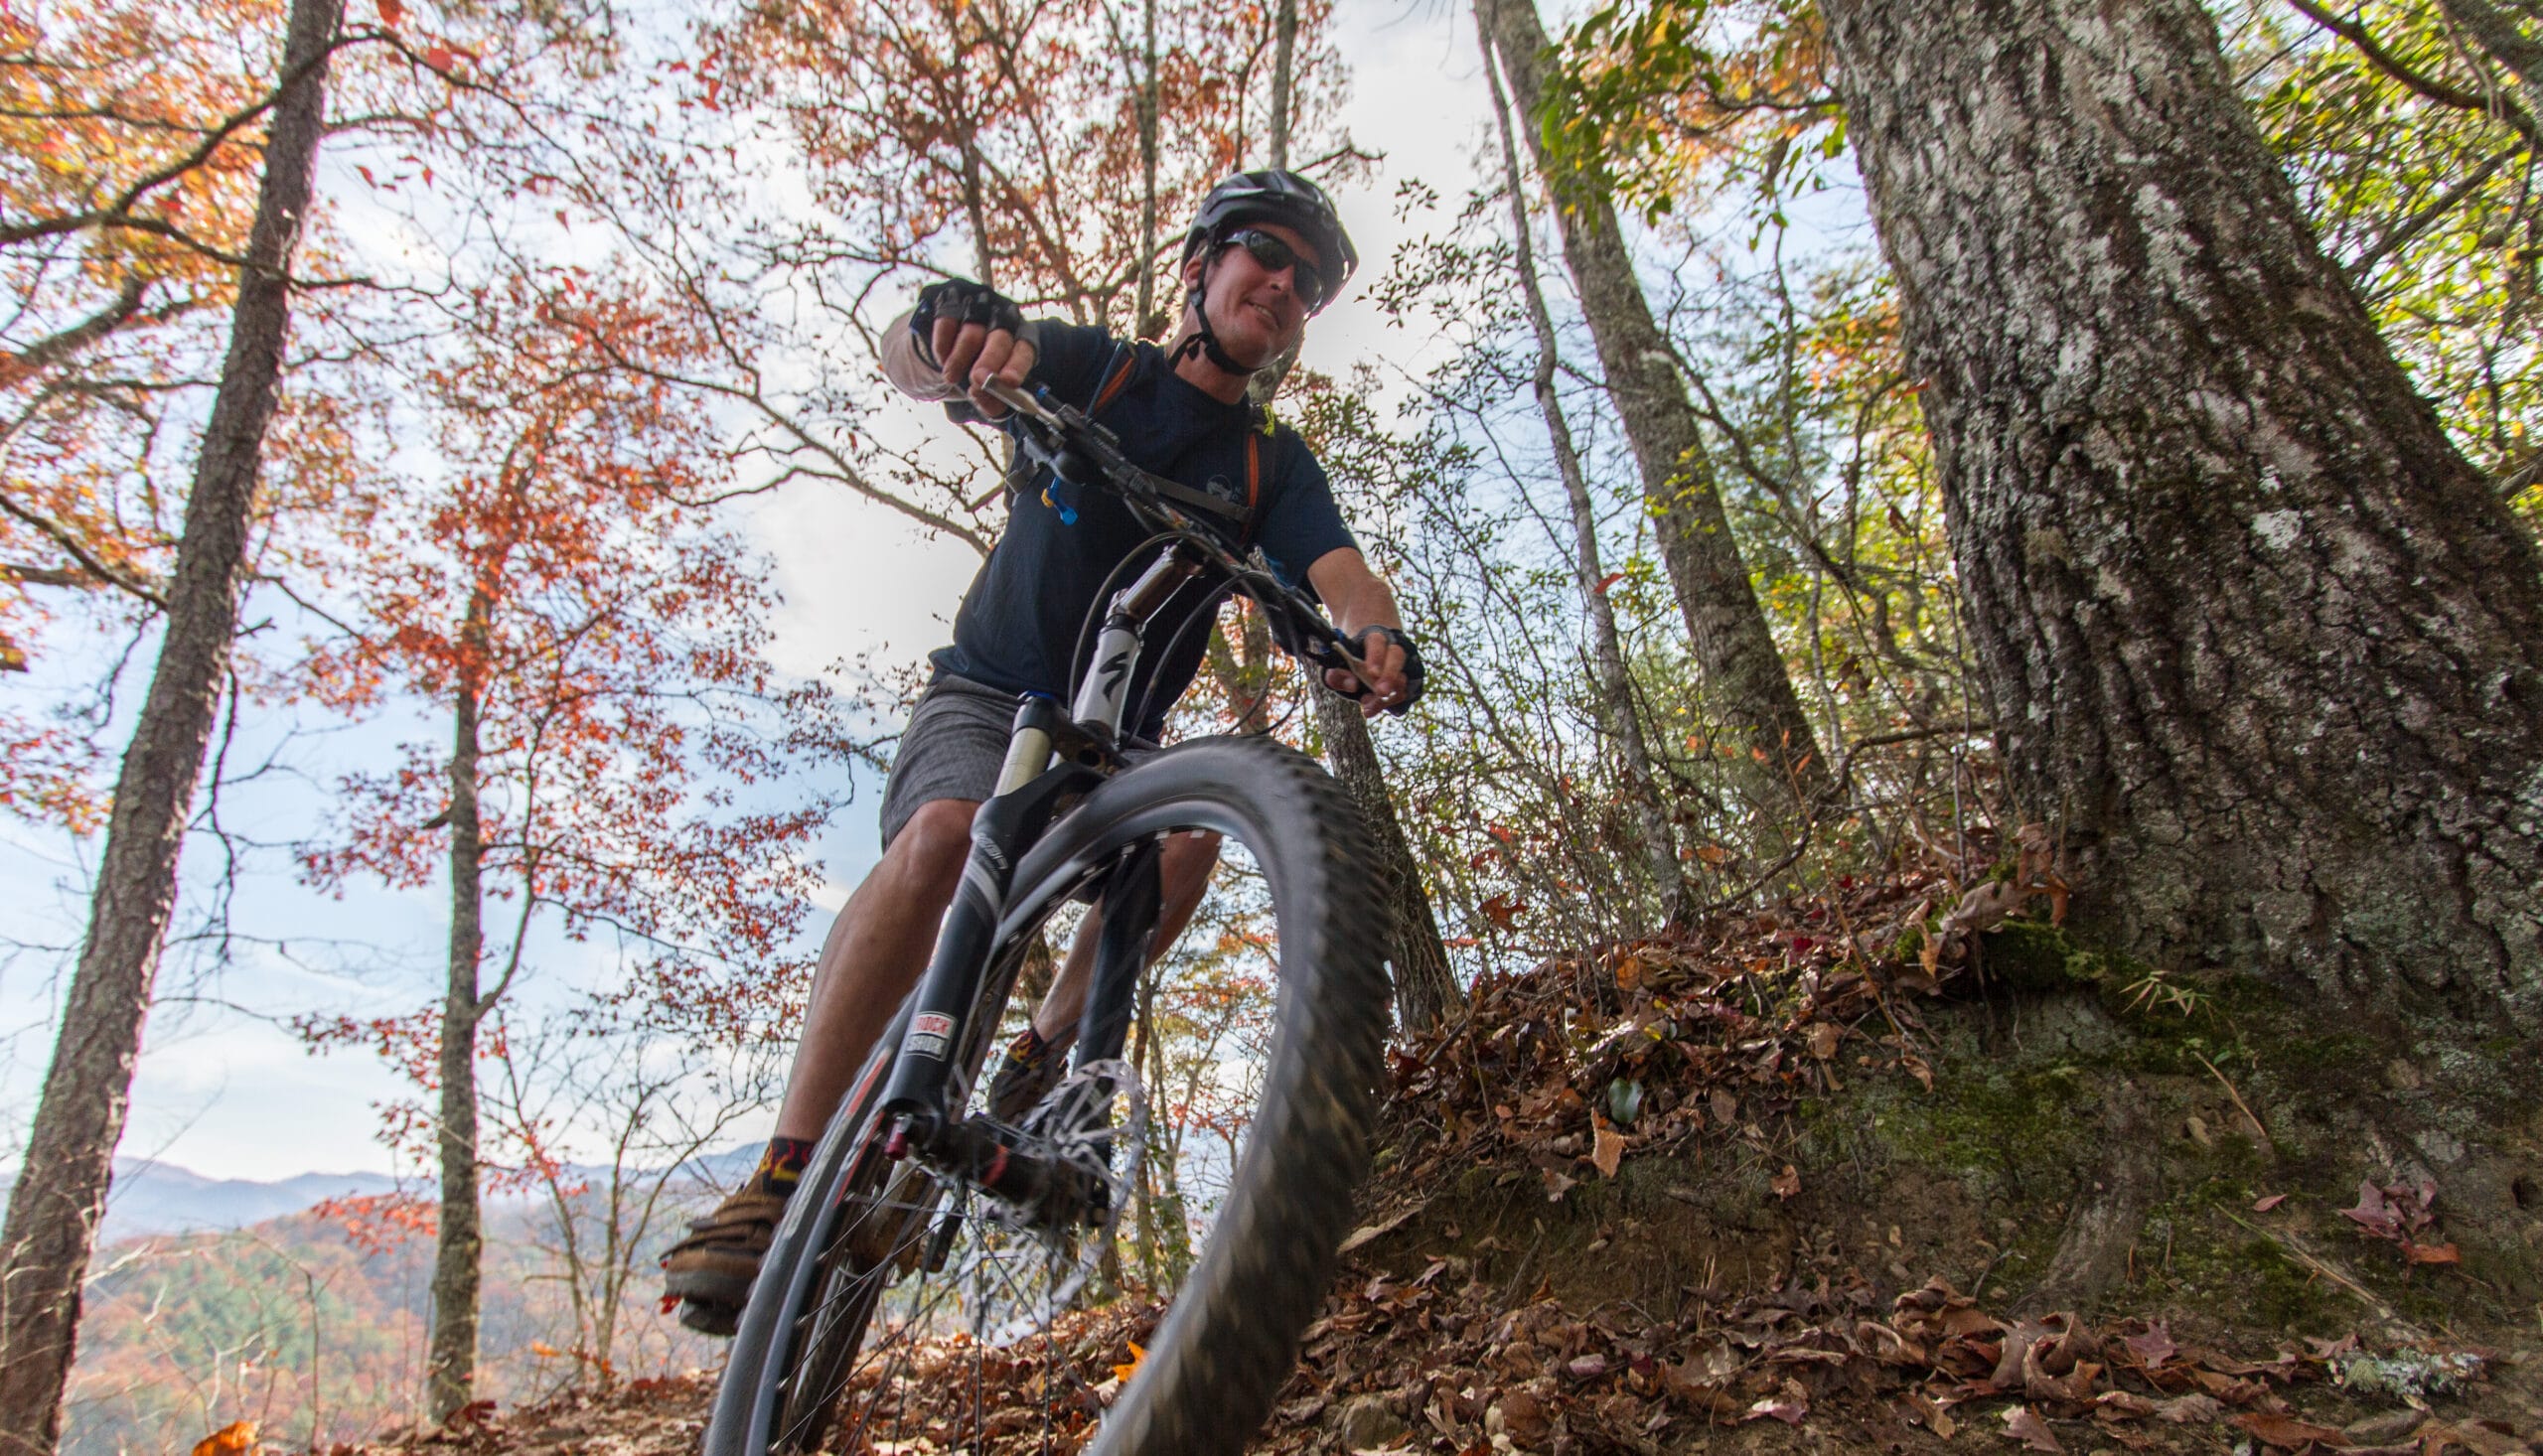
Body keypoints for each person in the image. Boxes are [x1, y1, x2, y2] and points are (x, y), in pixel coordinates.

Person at [662, 170, 1426, 1334]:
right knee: (942, 834)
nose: (1284, 284)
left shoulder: (1270, 463)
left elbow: (1340, 571)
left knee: (1187, 838)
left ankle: (1033, 1063)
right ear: (1200, 268)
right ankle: (783, 1173)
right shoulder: (1098, 368)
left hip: (1116, 745)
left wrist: (1372, 633)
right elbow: (921, 361)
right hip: (986, 700)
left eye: (1308, 281)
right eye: (1264, 254)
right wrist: (944, 333)